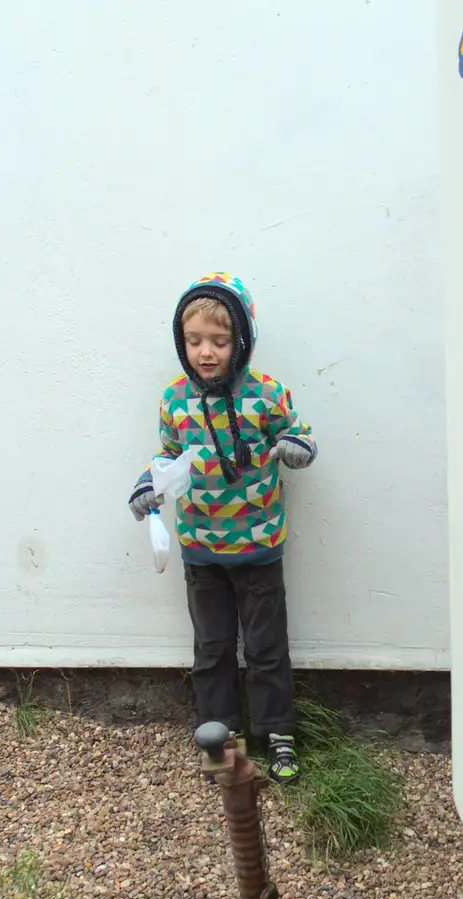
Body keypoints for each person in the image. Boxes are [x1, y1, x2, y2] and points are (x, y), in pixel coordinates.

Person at [128, 273, 316, 783]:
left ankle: (277, 733)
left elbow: (296, 434)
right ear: (180, 340)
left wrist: (299, 449)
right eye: (193, 341)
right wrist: (147, 485)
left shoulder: (268, 393)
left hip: (259, 545)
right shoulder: (174, 398)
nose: (205, 352)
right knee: (211, 648)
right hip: (201, 548)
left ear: (243, 341)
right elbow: (167, 456)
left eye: (219, 340)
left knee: (266, 647)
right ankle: (220, 733)